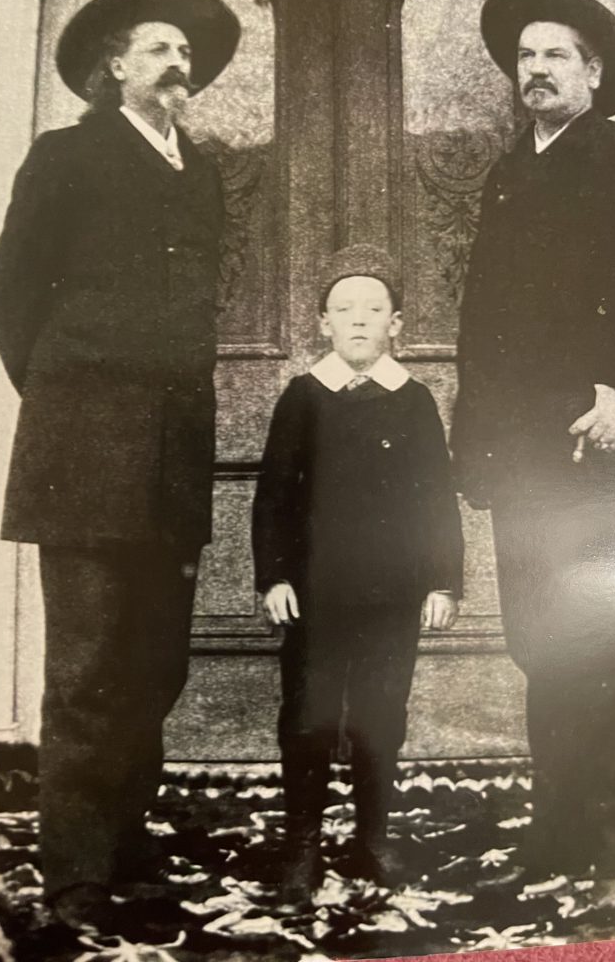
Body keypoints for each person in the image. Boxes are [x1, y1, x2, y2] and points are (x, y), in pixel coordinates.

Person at [0, 0, 239, 931]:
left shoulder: (202, 169)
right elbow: (15, 301)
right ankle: (77, 878)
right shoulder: (65, 157)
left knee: (154, 662)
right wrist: (70, 404)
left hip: (173, 453)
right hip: (86, 448)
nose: (181, 65)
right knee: (89, 668)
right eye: (162, 48)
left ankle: (130, 848)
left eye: (188, 53)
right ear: (115, 67)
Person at [451, 0, 615, 909]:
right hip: (522, 458)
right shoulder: (509, 174)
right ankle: (559, 831)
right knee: (542, 641)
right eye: (525, 56)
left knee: (609, 645)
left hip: (600, 447)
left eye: (555, 55)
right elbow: (483, 325)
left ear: (594, 73)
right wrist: (475, 446)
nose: (534, 69)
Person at [252, 244, 465, 904]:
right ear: (323, 323)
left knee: (381, 715)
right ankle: (303, 846)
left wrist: (442, 581)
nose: (359, 321)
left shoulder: (415, 401)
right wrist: (275, 577)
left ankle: (372, 839)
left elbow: (437, 498)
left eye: (374, 309)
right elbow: (275, 498)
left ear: (397, 324)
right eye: (344, 309)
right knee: (310, 716)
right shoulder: (303, 398)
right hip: (315, 596)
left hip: (392, 593)